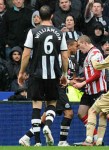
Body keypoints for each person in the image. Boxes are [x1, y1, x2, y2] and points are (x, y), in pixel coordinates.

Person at [18, 5, 68, 146]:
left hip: (36, 74)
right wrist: (64, 74)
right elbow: (65, 57)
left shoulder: (33, 32)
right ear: (51, 16)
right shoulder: (59, 33)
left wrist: (21, 72)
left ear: (39, 17)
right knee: (52, 103)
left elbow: (26, 54)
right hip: (53, 74)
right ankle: (47, 126)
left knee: (36, 106)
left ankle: (38, 142)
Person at [18, 39, 78, 147]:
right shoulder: (60, 58)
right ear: (69, 46)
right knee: (69, 113)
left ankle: (26, 137)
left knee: (46, 115)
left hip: (62, 89)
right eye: (75, 46)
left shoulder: (70, 60)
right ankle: (62, 141)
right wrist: (68, 82)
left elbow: (69, 76)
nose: (77, 48)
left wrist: (78, 81)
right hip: (58, 89)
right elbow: (56, 73)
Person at [73, 35, 107, 144]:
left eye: (80, 46)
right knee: (81, 113)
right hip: (89, 90)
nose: (79, 49)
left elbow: (97, 74)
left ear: (85, 43)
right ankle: (95, 138)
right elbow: (92, 73)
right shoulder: (90, 54)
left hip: (98, 90)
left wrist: (83, 83)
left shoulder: (96, 53)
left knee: (106, 115)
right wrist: (82, 79)